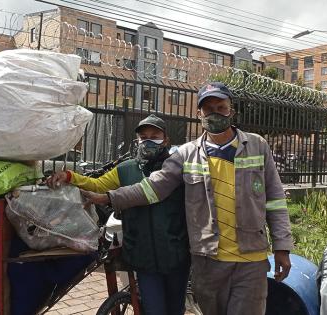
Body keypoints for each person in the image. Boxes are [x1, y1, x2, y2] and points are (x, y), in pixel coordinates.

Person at [82, 82, 293, 315]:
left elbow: (274, 199)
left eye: (221, 107)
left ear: (231, 110)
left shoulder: (256, 145)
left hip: (250, 260)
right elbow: (153, 188)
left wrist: (282, 246)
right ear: (199, 114)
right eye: (208, 109)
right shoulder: (186, 154)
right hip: (208, 261)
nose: (215, 113)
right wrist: (108, 198)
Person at [47, 115, 190, 315]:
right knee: (154, 310)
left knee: (176, 309)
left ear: (166, 139)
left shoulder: (176, 169)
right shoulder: (125, 169)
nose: (148, 140)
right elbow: (97, 185)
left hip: (176, 255)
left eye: (154, 136)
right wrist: (70, 176)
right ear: (137, 140)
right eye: (143, 136)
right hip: (143, 256)